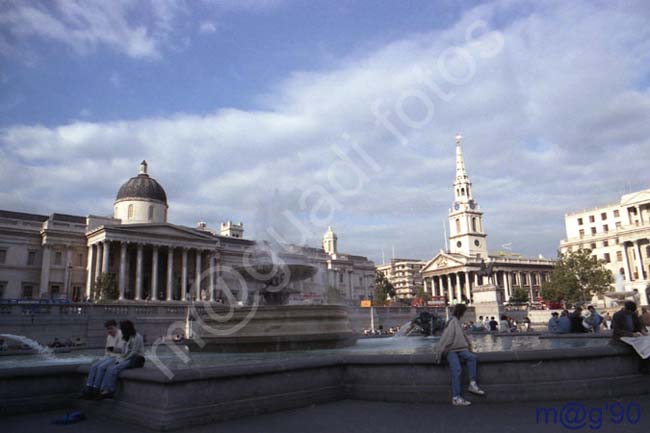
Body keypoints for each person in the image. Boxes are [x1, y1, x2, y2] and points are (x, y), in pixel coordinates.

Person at [433, 304, 485, 406]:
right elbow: (447, 337)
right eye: (465, 312)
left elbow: (461, 335)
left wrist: (468, 346)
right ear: (461, 312)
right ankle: (456, 397)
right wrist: (441, 350)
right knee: (457, 370)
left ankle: (472, 383)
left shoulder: (456, 321)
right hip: (450, 350)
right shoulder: (452, 321)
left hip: (459, 348)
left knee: (472, 357)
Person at [96, 320, 146, 399]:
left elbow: (134, 352)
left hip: (136, 359)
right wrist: (114, 350)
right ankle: (104, 389)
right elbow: (123, 350)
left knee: (114, 369)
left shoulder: (137, 337)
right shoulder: (127, 336)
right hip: (127, 357)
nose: (121, 330)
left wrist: (122, 359)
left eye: (122, 328)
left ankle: (110, 391)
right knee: (110, 368)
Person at [80, 320, 124, 399]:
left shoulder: (121, 334)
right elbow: (106, 350)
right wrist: (102, 358)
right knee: (94, 365)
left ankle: (96, 389)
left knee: (101, 367)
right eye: (108, 329)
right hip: (109, 356)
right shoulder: (109, 336)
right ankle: (89, 388)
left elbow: (121, 350)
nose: (109, 331)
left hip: (117, 357)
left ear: (116, 327)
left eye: (111, 328)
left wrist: (111, 350)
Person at [611, 301, 650, 374]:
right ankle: (643, 367)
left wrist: (642, 331)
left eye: (632, 312)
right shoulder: (617, 315)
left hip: (634, 335)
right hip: (622, 336)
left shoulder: (633, 314)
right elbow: (617, 330)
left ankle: (645, 365)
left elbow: (638, 325)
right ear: (626, 309)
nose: (631, 314)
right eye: (630, 312)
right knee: (641, 345)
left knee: (647, 342)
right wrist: (631, 334)